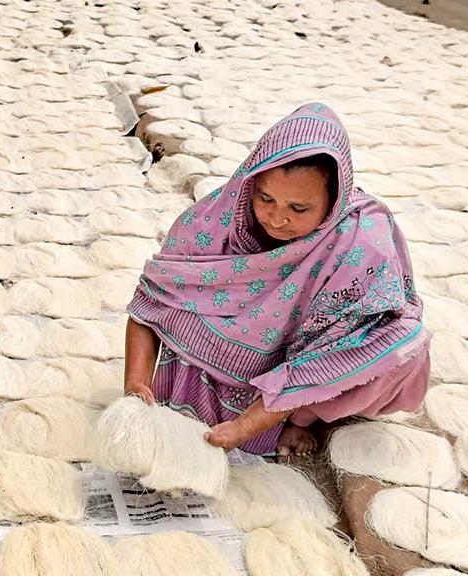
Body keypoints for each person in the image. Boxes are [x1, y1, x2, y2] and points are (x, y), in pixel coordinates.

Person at [124, 102, 431, 457]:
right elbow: (152, 300)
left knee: (399, 345)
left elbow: (338, 349)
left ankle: (300, 419)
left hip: (306, 354)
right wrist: (135, 383)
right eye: (265, 198)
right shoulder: (217, 219)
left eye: (299, 209)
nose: (277, 218)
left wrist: (246, 427)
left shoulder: (361, 240)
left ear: (335, 199)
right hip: (239, 361)